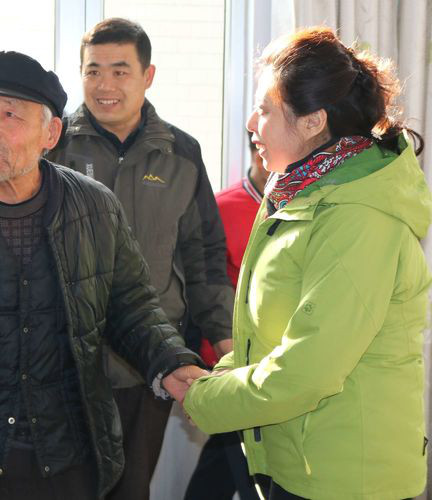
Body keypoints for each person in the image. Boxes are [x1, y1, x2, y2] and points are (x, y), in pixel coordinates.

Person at [0, 51, 208, 500]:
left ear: (50, 134)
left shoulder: (94, 208)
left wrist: (171, 361)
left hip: (67, 458)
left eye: (9, 114)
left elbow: (131, 305)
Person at [183, 27, 432, 500]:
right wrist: (218, 376)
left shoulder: (358, 215)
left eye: (265, 110)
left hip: (347, 476)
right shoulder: (299, 193)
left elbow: (309, 369)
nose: (251, 123)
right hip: (304, 459)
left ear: (314, 121)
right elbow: (273, 334)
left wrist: (205, 398)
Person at [48, 18, 233, 499]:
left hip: (148, 361)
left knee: (130, 489)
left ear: (148, 76)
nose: (104, 85)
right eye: (93, 71)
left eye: (120, 71)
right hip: (65, 362)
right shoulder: (53, 144)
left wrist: (226, 340)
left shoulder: (180, 153)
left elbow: (204, 256)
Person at [184, 139, 269, 500]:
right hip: (228, 354)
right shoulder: (223, 207)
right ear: (257, 153)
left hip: (274, 356)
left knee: (234, 459)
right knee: (233, 455)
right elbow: (203, 284)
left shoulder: (301, 204)